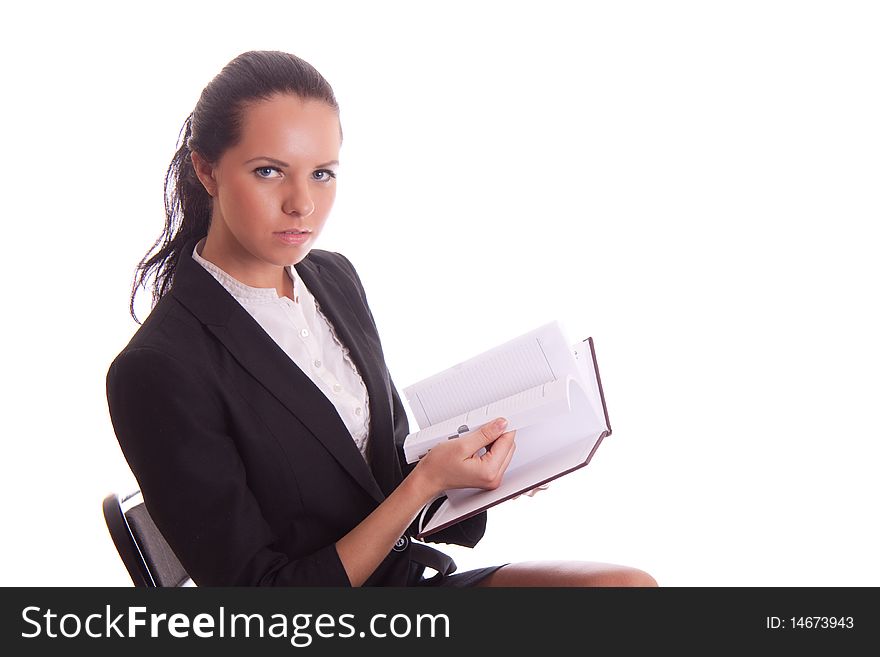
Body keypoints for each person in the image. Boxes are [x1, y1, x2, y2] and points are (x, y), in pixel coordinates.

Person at [106, 50, 657, 588]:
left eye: (322, 174)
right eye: (269, 171)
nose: (302, 203)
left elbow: (378, 475)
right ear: (207, 169)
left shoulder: (332, 278)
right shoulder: (159, 370)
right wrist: (423, 485)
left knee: (626, 590)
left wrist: (490, 475)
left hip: (408, 581)